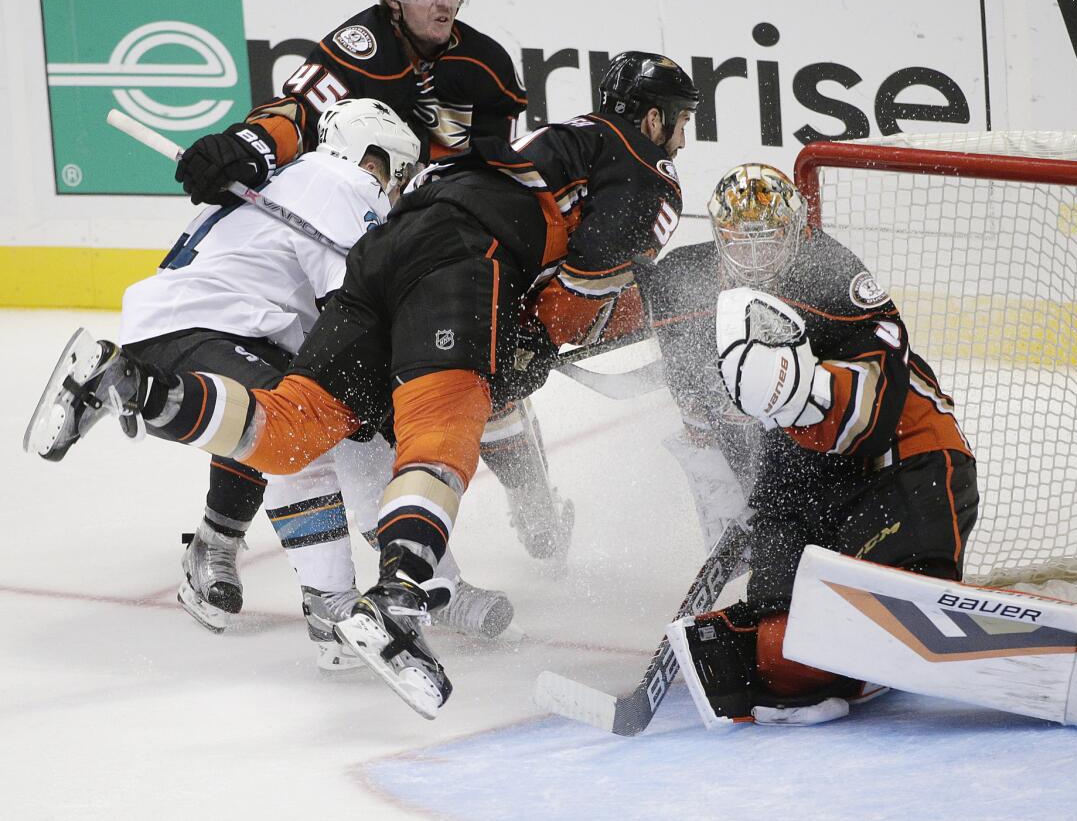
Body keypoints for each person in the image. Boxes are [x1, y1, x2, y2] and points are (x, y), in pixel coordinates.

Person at [26, 50, 700, 719]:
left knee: (292, 432)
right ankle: (402, 595)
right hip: (465, 259)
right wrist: (544, 340)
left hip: (387, 248)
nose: (681, 135)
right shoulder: (647, 174)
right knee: (439, 433)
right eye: (678, 121)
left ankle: (139, 388)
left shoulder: (559, 140)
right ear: (651, 119)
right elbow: (582, 284)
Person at [167, 0, 569, 624]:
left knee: (482, 375)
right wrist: (245, 144)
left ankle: (535, 504)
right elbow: (293, 115)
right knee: (293, 382)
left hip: (442, 244)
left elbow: (502, 171)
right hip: (355, 244)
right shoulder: (359, 48)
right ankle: (219, 537)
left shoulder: (487, 66)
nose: (444, 3)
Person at [642, 162, 978, 725]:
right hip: (798, 476)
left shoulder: (831, 273)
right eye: (740, 241)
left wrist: (805, 393)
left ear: (798, 230)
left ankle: (896, 615)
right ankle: (845, 662)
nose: (755, 256)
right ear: (718, 236)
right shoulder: (683, 284)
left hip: (901, 460)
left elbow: (883, 394)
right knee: (778, 655)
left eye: (769, 239)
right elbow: (701, 409)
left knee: (904, 597)